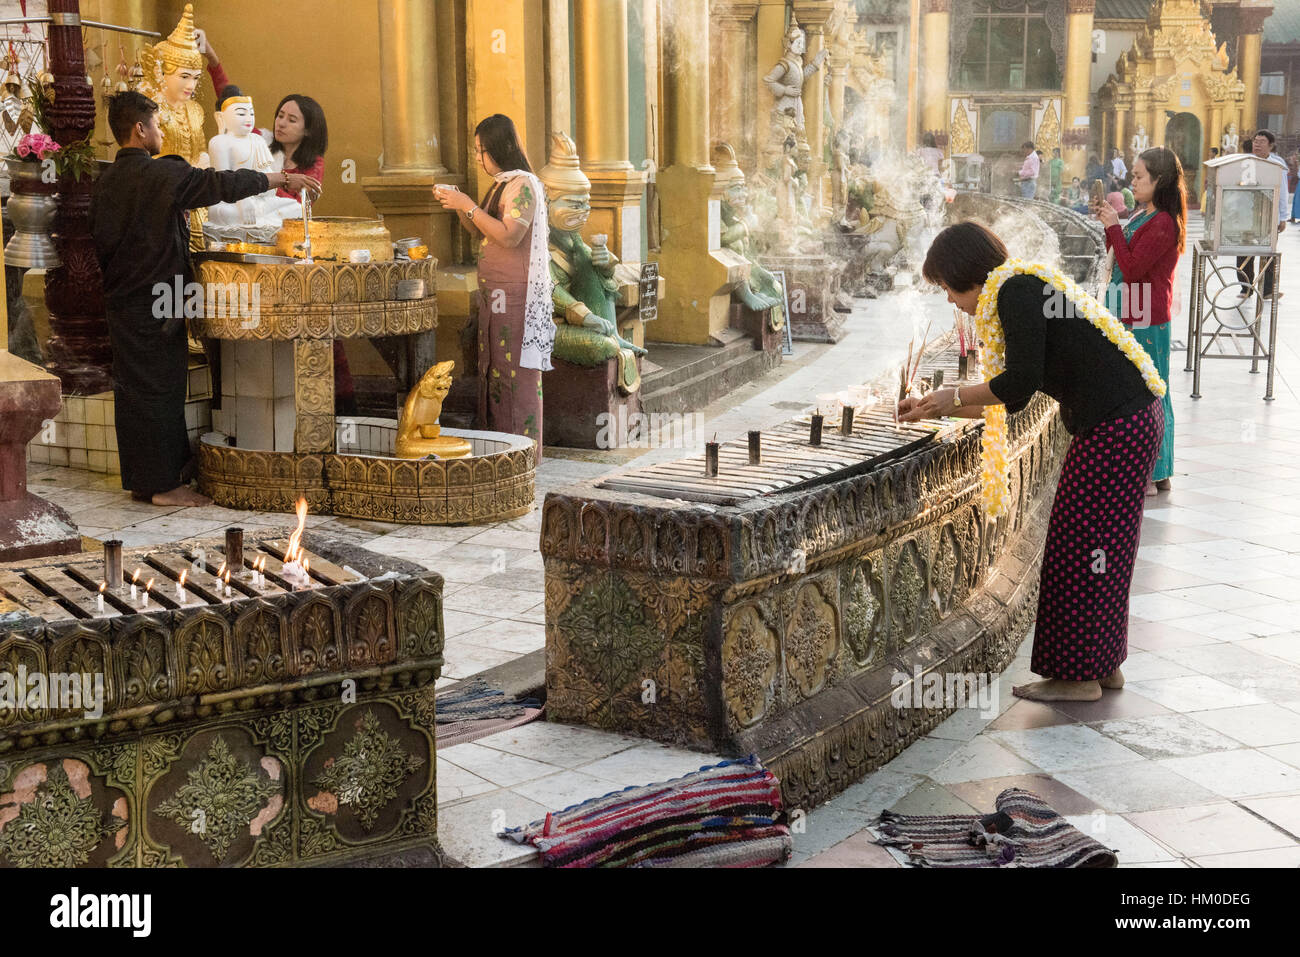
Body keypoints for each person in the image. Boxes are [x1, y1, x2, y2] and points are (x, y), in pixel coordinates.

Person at [902, 221, 1166, 702]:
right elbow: (1016, 397)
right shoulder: (1021, 285)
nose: (949, 301)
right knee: (1102, 549)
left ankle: (1077, 678)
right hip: (1129, 419)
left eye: (946, 288)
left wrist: (952, 394)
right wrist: (937, 406)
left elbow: (1018, 383)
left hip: (1116, 426)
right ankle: (1104, 668)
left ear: (965, 273)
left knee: (1079, 546)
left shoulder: (1015, 292)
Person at [90, 91, 321, 507]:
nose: (160, 133)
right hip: (161, 297)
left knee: (133, 389)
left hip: (122, 299)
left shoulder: (105, 182)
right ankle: (164, 486)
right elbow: (222, 184)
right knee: (161, 387)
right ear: (140, 130)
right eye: (156, 126)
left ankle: (145, 480)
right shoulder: (158, 175)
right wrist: (283, 180)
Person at [194, 31, 354, 414]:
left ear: (308, 129)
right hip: (250, 241)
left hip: (290, 248)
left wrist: (269, 194)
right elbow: (230, 100)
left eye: (291, 119)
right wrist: (213, 60)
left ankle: (338, 404)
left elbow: (293, 204)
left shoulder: (313, 164)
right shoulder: (259, 142)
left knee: (318, 327)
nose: (281, 123)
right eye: (280, 115)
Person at [435, 114, 553, 459]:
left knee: (515, 373)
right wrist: (460, 204)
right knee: (494, 369)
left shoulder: (523, 184)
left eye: (480, 150)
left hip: (514, 294)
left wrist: (467, 205)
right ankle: (499, 449)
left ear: (499, 148)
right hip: (495, 293)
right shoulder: (502, 183)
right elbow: (480, 229)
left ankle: (522, 454)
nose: (477, 157)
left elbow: (509, 234)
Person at [1097, 147, 1183, 497]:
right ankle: (1155, 470)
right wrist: (1111, 226)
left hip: (1146, 316)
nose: (1132, 181)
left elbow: (1132, 271)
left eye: (1138, 176)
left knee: (1150, 391)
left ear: (1158, 180)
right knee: (1141, 387)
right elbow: (1122, 256)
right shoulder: (1144, 213)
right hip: (1130, 311)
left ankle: (1153, 470)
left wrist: (1115, 227)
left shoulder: (1163, 221)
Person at [1236, 129, 1288, 303]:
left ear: (1270, 145)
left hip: (1268, 214)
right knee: (1244, 251)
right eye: (1255, 141)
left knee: (1269, 252)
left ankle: (1267, 290)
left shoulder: (1277, 164)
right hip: (1247, 215)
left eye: (1261, 142)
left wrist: (1282, 217)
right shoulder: (1245, 162)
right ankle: (1246, 287)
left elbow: (1283, 192)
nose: (1257, 144)